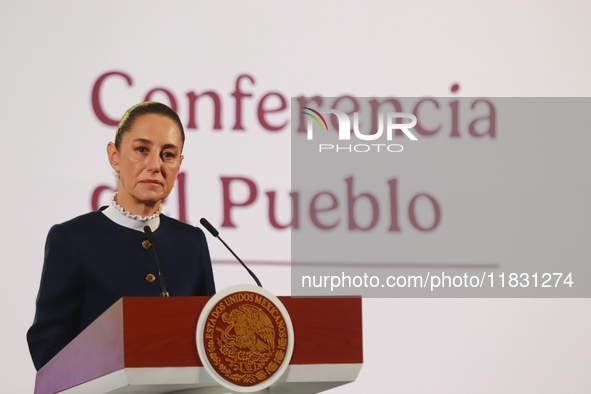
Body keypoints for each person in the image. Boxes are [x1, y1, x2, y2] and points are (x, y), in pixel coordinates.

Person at [27, 102, 216, 371]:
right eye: (141, 150)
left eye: (168, 154)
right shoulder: (72, 239)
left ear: (179, 165)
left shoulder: (191, 242)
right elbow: (47, 345)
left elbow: (209, 342)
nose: (154, 165)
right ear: (114, 156)